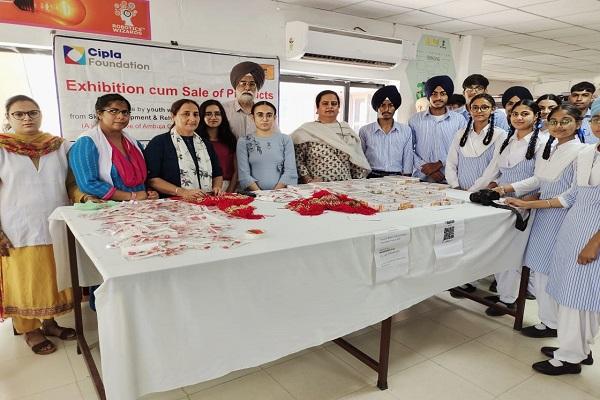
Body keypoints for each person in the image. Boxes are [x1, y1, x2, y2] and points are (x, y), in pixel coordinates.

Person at [505, 98, 600, 375]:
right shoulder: (587, 154)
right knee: (572, 294)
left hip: (592, 235)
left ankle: (569, 357)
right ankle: (579, 349)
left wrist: (593, 244)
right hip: (573, 228)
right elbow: (570, 196)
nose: (599, 125)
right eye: (597, 119)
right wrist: (526, 204)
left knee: (580, 296)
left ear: (576, 124)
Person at [495, 104, 587, 338]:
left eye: (565, 121)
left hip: (560, 218)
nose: (558, 126)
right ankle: (549, 321)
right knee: (540, 268)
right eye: (553, 121)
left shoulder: (581, 152)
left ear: (577, 123)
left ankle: (554, 324)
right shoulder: (554, 147)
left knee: (550, 271)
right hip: (543, 216)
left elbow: (570, 196)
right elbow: (539, 179)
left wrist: (528, 204)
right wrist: (507, 188)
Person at [0, 95, 75, 355]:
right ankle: (28, 330)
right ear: (8, 118)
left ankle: (50, 323)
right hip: (16, 228)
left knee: (53, 279)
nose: (26, 118)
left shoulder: (58, 145)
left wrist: (85, 198)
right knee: (25, 281)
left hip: (56, 224)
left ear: (41, 114)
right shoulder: (2, 147)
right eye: (18, 114)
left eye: (32, 112)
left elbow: (71, 184)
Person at [478, 99, 547, 316]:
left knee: (513, 254)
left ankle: (510, 299)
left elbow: (539, 178)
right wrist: (491, 187)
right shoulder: (507, 141)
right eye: (515, 113)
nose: (518, 117)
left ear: (535, 117)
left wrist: (508, 189)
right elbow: (497, 171)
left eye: (525, 113)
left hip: (524, 204)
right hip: (501, 202)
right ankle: (505, 294)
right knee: (499, 250)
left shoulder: (544, 142)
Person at [69, 93, 159, 202]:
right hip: (107, 209)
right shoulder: (86, 143)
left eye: (125, 112)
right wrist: (131, 196)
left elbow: (143, 177)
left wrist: (149, 192)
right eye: (113, 111)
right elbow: (88, 184)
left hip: (141, 207)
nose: (121, 116)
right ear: (99, 114)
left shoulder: (134, 143)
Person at [144, 99, 223, 199]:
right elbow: (152, 179)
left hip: (206, 202)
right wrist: (182, 192)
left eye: (195, 114)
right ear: (173, 116)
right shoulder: (159, 142)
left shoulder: (205, 144)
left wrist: (217, 187)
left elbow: (217, 174)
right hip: (171, 205)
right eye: (186, 114)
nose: (192, 119)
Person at [292, 90, 370, 183]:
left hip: (346, 186)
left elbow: (356, 161)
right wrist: (308, 180)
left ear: (338, 108)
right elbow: (298, 160)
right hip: (317, 188)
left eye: (334, 103)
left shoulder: (346, 131)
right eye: (325, 103)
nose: (330, 106)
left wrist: (358, 184)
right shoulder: (306, 131)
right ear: (317, 108)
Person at [409, 75, 467, 182]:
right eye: (434, 94)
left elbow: (462, 149)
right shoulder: (414, 120)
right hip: (420, 178)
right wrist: (425, 167)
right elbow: (409, 149)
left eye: (443, 94)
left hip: (449, 178)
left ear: (448, 96)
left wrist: (440, 164)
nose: (438, 98)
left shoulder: (459, 120)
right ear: (428, 96)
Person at [445, 93, 507, 191]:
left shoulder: (500, 135)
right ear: (469, 110)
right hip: (458, 190)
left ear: (493, 109)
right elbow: (450, 163)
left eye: (484, 107)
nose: (479, 111)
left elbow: (494, 169)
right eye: (475, 107)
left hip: (483, 192)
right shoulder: (460, 134)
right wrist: (455, 186)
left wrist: (473, 190)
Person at [237, 101, 297, 190]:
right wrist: (260, 194)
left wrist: (274, 193)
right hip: (253, 195)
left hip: (281, 195)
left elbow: (290, 171)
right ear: (252, 117)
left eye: (269, 115)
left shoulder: (285, 139)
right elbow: (244, 174)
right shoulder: (244, 141)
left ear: (274, 117)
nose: (265, 119)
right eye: (260, 115)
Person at [359, 85, 413, 177]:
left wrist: (406, 180)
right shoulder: (365, 130)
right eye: (382, 105)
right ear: (377, 107)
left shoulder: (405, 130)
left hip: (397, 178)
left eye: (391, 105)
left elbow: (408, 158)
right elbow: (360, 157)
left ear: (395, 107)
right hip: (371, 177)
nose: (387, 109)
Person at [197, 100, 237, 192]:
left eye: (217, 114)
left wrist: (230, 191)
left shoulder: (230, 139)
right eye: (208, 114)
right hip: (201, 188)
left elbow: (236, 170)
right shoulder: (196, 140)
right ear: (202, 116)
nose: (213, 117)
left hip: (227, 187)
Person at [223, 61, 266, 138]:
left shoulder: (265, 111)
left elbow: (274, 136)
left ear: (257, 89)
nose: (247, 88)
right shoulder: (224, 110)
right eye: (243, 83)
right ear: (235, 87)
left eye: (252, 84)